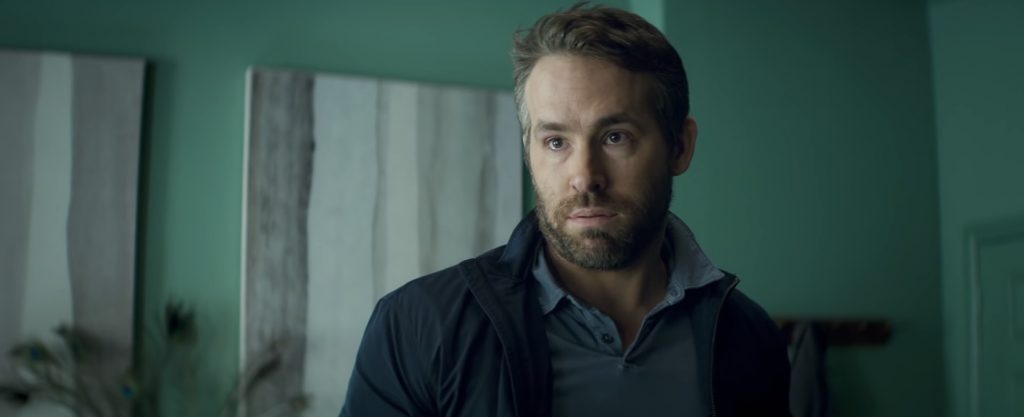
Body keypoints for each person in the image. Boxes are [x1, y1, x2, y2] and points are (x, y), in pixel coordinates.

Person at [340, 4, 791, 417]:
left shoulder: (749, 337)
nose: (585, 176)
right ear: (529, 152)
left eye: (615, 137)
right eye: (556, 142)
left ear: (680, 146)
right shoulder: (417, 326)